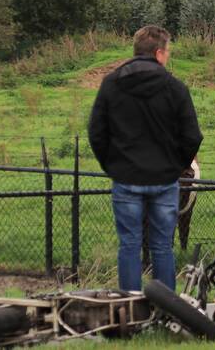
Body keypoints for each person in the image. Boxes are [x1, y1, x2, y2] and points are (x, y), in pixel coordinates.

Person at [88, 26, 203, 292]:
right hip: (164, 179)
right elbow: (192, 137)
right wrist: (176, 166)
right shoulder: (175, 88)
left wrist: (113, 166)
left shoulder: (112, 83)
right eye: (168, 52)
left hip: (126, 178)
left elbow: (97, 132)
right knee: (162, 245)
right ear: (159, 53)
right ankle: (165, 308)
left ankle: (129, 306)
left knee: (129, 244)